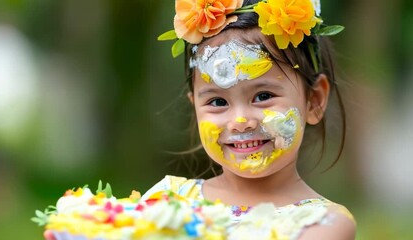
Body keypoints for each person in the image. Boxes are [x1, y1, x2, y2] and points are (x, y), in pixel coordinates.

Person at [145, 0, 356, 239]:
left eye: (263, 96)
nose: (240, 121)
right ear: (195, 107)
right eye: (217, 102)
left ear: (314, 100)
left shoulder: (323, 224)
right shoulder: (166, 202)